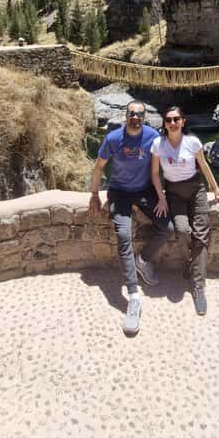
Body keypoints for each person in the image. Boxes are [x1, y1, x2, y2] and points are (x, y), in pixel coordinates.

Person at [89, 100, 173, 335]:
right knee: (124, 236)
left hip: (145, 190)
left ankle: (143, 260)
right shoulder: (113, 139)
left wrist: (166, 194)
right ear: (126, 116)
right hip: (119, 192)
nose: (135, 117)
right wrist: (94, 195)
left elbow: (162, 164)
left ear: (144, 117)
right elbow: (98, 168)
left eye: (139, 114)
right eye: (131, 114)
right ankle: (134, 297)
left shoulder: (152, 136)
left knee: (169, 229)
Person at [151, 106, 219, 316]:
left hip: (196, 189)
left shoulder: (192, 142)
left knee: (201, 234)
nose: (172, 123)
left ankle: (199, 286)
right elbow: (155, 174)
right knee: (182, 230)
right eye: (168, 120)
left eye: (176, 119)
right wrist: (162, 197)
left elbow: (204, 165)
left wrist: (216, 189)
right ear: (164, 123)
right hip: (173, 192)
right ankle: (190, 262)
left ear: (183, 121)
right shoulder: (158, 144)